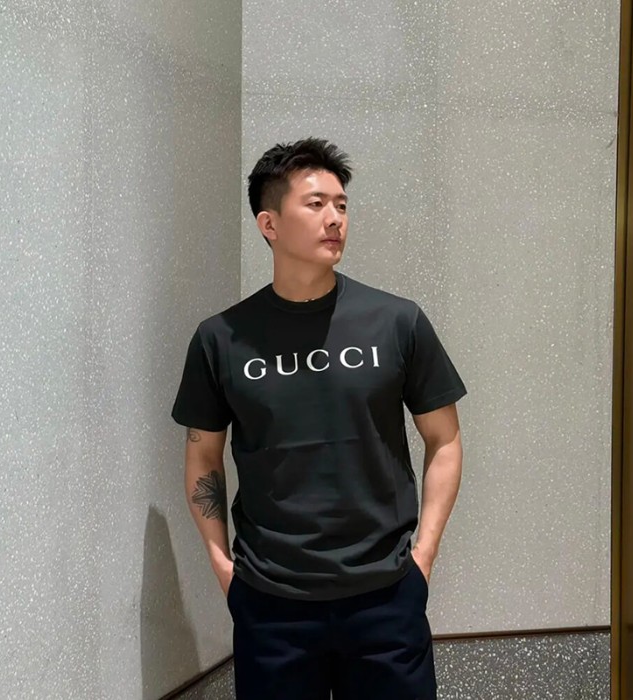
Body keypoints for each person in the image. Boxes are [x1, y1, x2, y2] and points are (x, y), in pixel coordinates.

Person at [171, 137, 467, 700]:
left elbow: (445, 440)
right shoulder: (221, 338)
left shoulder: (397, 321)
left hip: (386, 597)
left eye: (342, 205)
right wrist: (223, 567)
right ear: (269, 224)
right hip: (271, 605)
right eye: (315, 204)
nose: (335, 218)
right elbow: (203, 455)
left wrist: (422, 558)